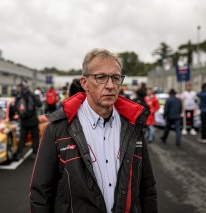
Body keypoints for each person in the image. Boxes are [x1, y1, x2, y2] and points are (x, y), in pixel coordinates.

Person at [30, 48, 157, 213]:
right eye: (101, 77)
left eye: (116, 78)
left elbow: (147, 187)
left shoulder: (132, 126)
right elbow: (41, 192)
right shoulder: (57, 129)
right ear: (84, 83)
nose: (110, 85)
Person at [14, 83, 40, 161]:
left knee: (22, 138)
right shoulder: (31, 95)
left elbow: (15, 108)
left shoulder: (18, 96)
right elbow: (39, 104)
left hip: (23, 121)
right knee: (35, 137)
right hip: (33, 120)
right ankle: (34, 153)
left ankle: (19, 153)